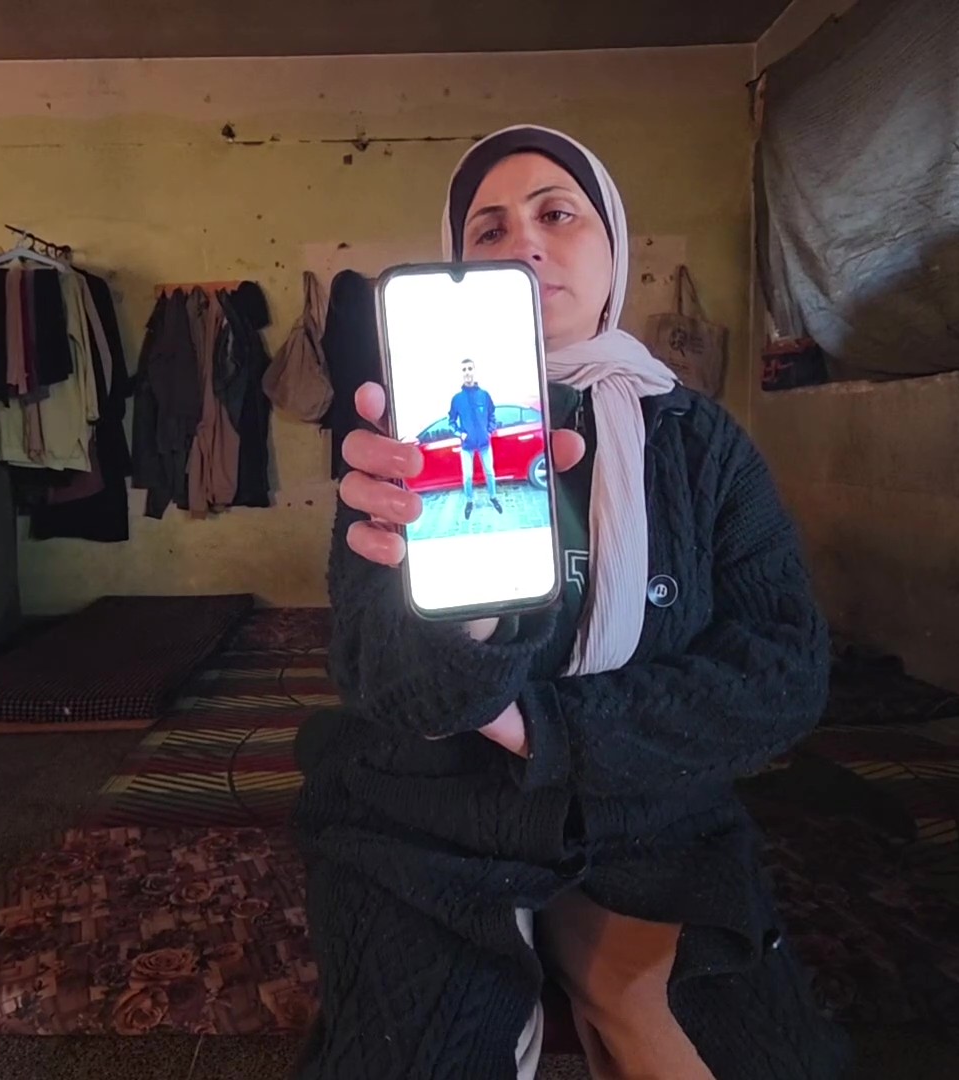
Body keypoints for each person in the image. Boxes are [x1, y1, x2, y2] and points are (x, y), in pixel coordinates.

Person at [293, 125, 848, 1079]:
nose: (525, 243)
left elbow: (784, 675)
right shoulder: (399, 456)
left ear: (613, 250)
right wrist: (469, 624)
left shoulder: (703, 446)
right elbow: (397, 696)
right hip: (430, 823)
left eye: (557, 214)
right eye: (488, 229)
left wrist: (543, 729)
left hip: (651, 822)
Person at [450, 358, 502, 518]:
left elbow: (492, 415)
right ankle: (469, 501)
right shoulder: (457, 399)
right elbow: (451, 422)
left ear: (474, 371)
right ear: (461, 373)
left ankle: (493, 497)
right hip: (467, 446)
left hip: (485, 444)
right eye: (464, 370)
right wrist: (460, 433)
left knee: (490, 472)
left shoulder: (484, 395)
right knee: (467, 476)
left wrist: (489, 431)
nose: (467, 372)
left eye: (469, 369)